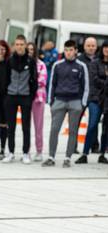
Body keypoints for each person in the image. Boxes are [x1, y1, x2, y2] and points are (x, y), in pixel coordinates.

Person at [42, 40, 89, 168]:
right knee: (54, 129)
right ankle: (51, 157)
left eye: (71, 50)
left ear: (75, 51)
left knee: (73, 131)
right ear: (64, 51)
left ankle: (68, 158)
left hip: (75, 102)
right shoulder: (58, 65)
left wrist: (82, 103)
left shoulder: (81, 66)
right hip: (59, 101)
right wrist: (51, 102)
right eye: (66, 50)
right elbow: (52, 84)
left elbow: (86, 86)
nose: (68, 52)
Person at [2, 35, 37, 164]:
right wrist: (6, 95)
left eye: (22, 44)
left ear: (26, 45)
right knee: (10, 126)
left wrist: (30, 96)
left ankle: (26, 153)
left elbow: (35, 80)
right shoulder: (9, 61)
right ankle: (10, 152)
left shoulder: (31, 61)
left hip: (25, 96)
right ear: (14, 46)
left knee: (25, 127)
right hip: (11, 96)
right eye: (17, 44)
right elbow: (5, 79)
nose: (19, 46)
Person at [76, 40, 108, 164]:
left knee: (106, 128)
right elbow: (93, 80)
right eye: (105, 47)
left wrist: (104, 80)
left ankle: (102, 154)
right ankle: (85, 153)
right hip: (95, 99)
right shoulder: (95, 63)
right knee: (92, 125)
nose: (106, 50)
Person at [27, 42, 47, 162]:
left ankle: (39, 151)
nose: (29, 51)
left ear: (35, 51)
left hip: (38, 98)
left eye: (31, 49)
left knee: (38, 126)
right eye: (27, 49)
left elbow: (42, 81)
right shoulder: (23, 63)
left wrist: (29, 83)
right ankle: (26, 151)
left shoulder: (41, 64)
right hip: (25, 97)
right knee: (26, 126)